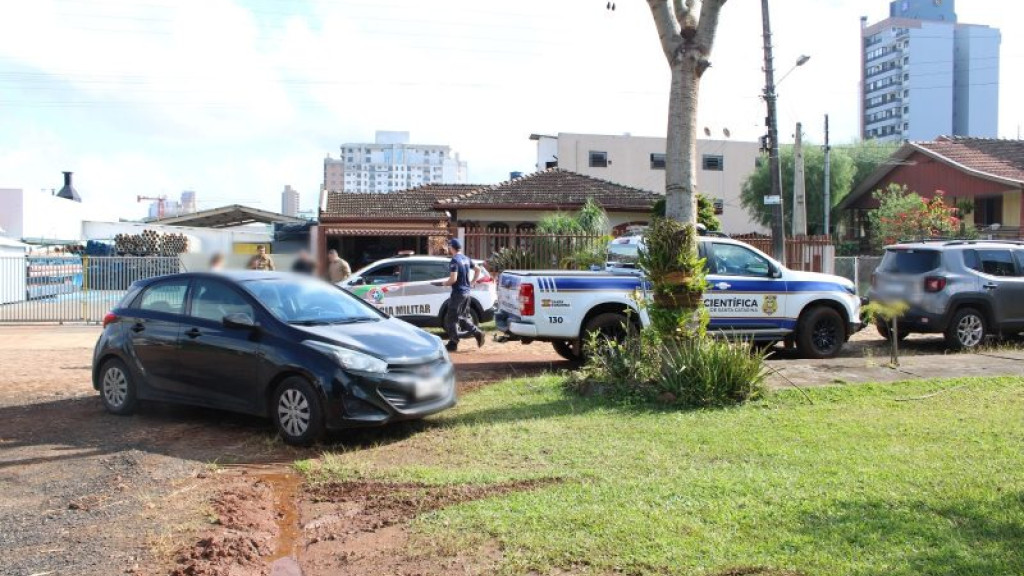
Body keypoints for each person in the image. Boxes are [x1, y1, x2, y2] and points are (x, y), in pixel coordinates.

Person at [439, 238, 484, 352]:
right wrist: (472, 282)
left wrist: (444, 283)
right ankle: (477, 332)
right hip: (466, 292)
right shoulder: (466, 258)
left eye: (449, 247)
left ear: (451, 247)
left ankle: (453, 343)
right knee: (462, 318)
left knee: (451, 319)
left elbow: (453, 279)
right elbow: (478, 269)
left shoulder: (454, 260)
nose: (449, 249)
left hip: (458, 293)